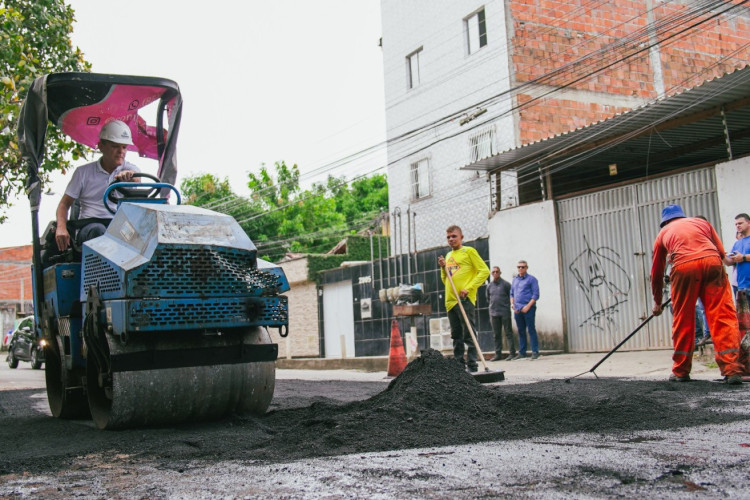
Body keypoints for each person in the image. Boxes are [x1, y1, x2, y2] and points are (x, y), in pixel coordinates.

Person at [651, 204, 743, 384]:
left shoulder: (663, 234)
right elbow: (721, 252)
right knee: (722, 316)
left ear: (665, 222)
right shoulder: (702, 224)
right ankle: (732, 370)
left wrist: (657, 302)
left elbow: (656, 273)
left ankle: (681, 371)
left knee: (683, 318)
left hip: (683, 268)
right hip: (712, 263)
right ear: (683, 216)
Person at [55, 120, 139, 251]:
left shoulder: (130, 169)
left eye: (124, 147)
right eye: (115, 146)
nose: (121, 151)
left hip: (118, 227)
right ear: (101, 146)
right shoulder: (83, 173)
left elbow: (137, 178)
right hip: (90, 227)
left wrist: (130, 177)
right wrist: (61, 227)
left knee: (139, 237)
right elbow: (64, 204)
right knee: (99, 231)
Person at [438, 225, 490, 372]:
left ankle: (472, 364)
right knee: (456, 335)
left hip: (464, 300)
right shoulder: (448, 256)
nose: (451, 239)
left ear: (461, 237)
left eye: (454, 236)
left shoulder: (469, 252)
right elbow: (445, 280)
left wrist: (469, 288)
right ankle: (459, 366)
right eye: (448, 237)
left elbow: (484, 271)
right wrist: (443, 268)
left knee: (469, 333)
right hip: (450, 301)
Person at [724, 213, 750, 375]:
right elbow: (729, 262)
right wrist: (721, 254)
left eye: (740, 223)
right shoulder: (738, 243)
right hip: (741, 288)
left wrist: (745, 257)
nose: (737, 226)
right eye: (735, 224)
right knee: (745, 326)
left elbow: (742, 258)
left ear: (748, 223)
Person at [510, 260, 540, 360]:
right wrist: (513, 305)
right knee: (521, 331)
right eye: (519, 267)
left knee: (531, 329)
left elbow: (536, 295)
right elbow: (512, 294)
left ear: (527, 268)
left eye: (523, 267)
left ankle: (535, 351)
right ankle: (522, 352)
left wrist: (528, 306)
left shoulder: (532, 279)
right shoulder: (515, 280)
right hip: (517, 309)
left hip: (528, 308)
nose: (520, 269)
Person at [486, 266, 515, 361]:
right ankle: (498, 354)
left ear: (500, 273)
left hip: (504, 312)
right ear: (491, 274)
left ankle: (512, 353)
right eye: (493, 272)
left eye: (497, 272)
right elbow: (488, 298)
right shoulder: (489, 286)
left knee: (508, 333)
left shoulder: (506, 284)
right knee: (496, 335)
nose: (495, 273)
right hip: (493, 313)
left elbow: (511, 296)